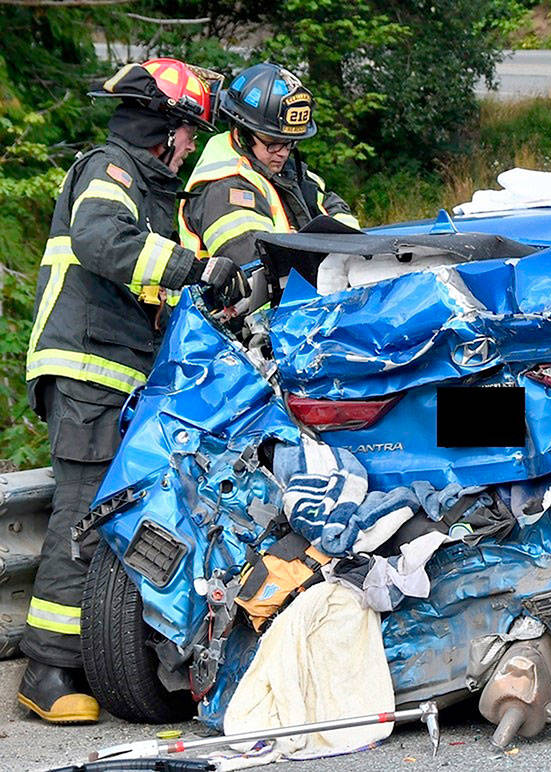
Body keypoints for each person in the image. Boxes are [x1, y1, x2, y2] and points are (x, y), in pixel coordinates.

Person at [20, 58, 242, 724]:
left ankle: (87, 656)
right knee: (83, 515)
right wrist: (193, 267)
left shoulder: (147, 192)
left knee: (109, 514)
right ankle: (49, 669)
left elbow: (143, 286)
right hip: (88, 370)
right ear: (161, 128)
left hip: (117, 375)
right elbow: (100, 242)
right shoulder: (109, 172)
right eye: (186, 133)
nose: (189, 148)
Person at [179, 62, 359, 279]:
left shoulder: (287, 172)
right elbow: (255, 264)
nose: (282, 153)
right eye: (273, 142)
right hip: (239, 311)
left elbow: (334, 208)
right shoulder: (225, 187)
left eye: (290, 143)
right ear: (241, 132)